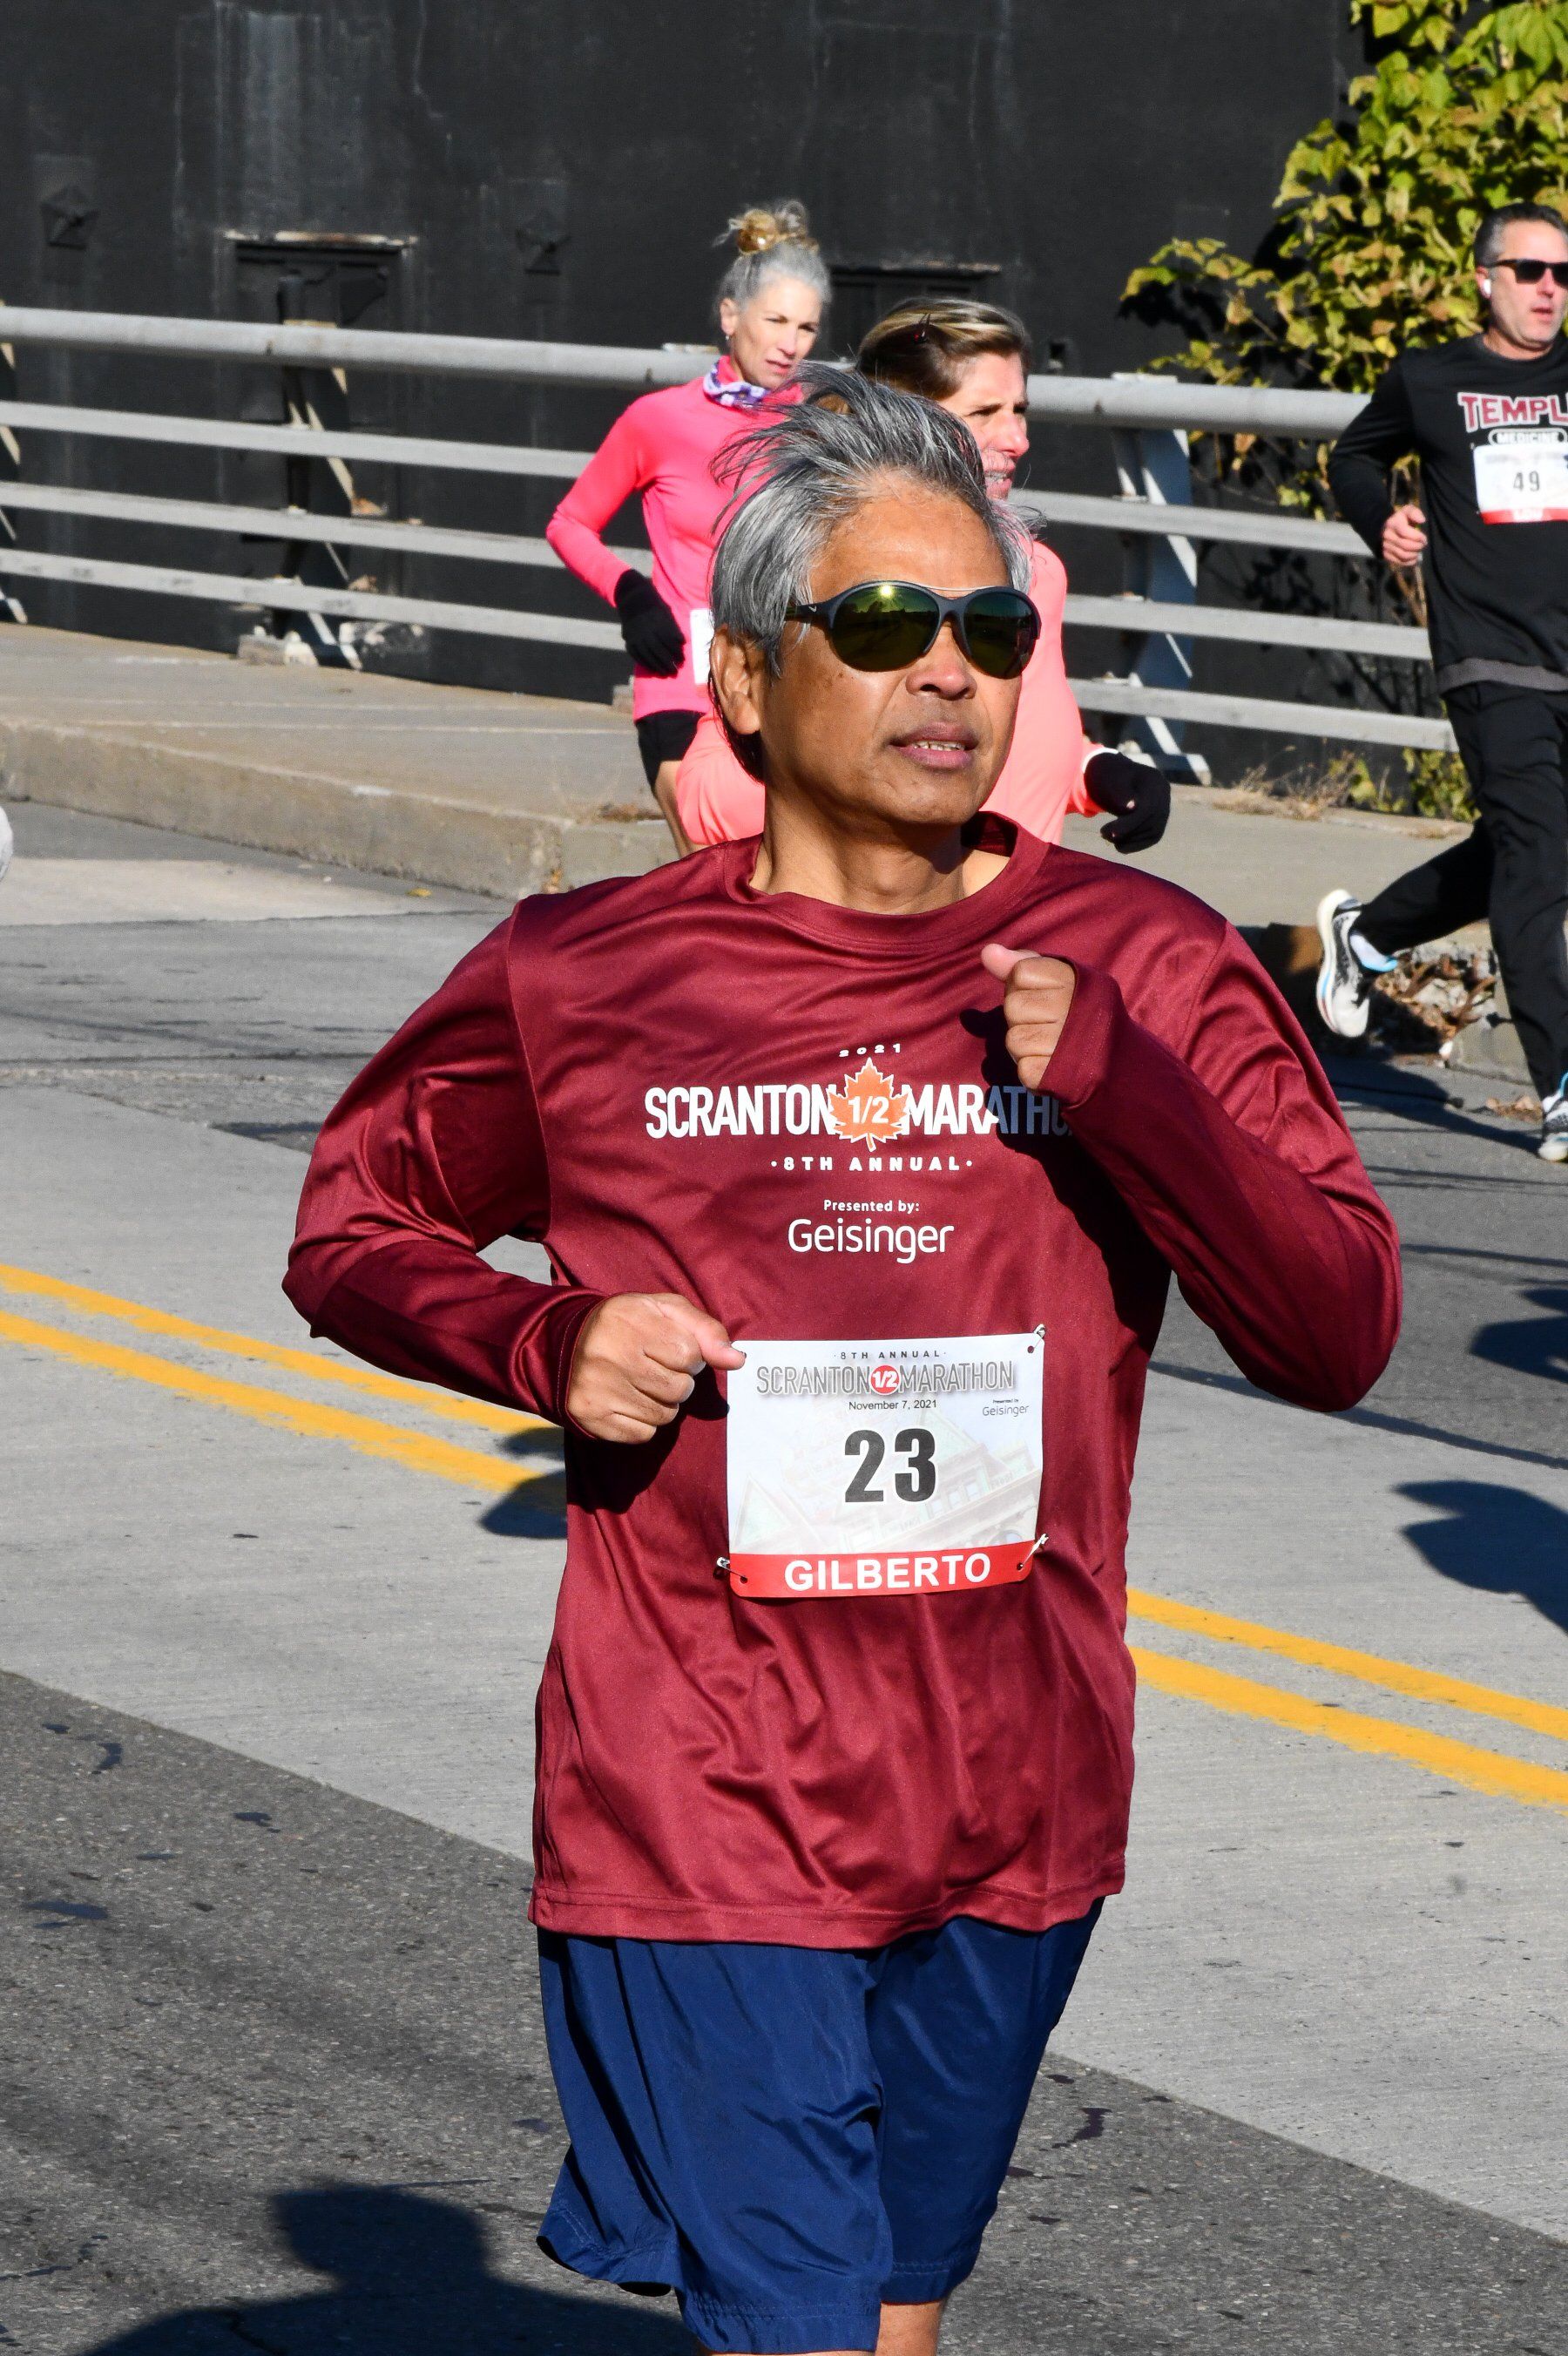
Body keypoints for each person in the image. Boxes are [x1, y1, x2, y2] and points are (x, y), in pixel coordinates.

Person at [286, 369, 1400, 2356]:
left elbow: (1335, 1329)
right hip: (698, 1777)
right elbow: (355, 1230)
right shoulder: (586, 979)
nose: (948, 671)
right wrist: (544, 1334)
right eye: (881, 625)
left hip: (1014, 1786)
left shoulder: (1144, 966)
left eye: (988, 627)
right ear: (740, 674)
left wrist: (1121, 1088)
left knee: (886, 2315)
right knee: (803, 2331)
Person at [673, 298, 1170, 861]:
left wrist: (1093, 770)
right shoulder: (821, 562)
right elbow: (708, 786)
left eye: (1020, 409)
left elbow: (1004, 733)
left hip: (1020, 930)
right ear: (904, 418)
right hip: (893, 932)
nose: (1018, 438)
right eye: (985, 413)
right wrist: (900, 810)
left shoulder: (1039, 573)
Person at [1318, 200, 1568, 1161]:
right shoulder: (1431, 380)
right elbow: (1353, 456)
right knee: (1538, 864)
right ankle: (1560, 1085)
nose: (1549, 289)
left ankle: (1368, 935)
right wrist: (1382, 517)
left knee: (1526, 845)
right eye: (1530, 271)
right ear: (1485, 278)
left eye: (1562, 275)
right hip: (1490, 659)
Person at [546, 201, 827, 850]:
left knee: (781, 877)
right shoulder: (658, 419)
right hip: (681, 678)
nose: (790, 344)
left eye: (808, 328)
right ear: (731, 316)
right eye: (776, 320)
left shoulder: (821, 426)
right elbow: (570, 523)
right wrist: (631, 595)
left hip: (785, 679)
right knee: (705, 869)